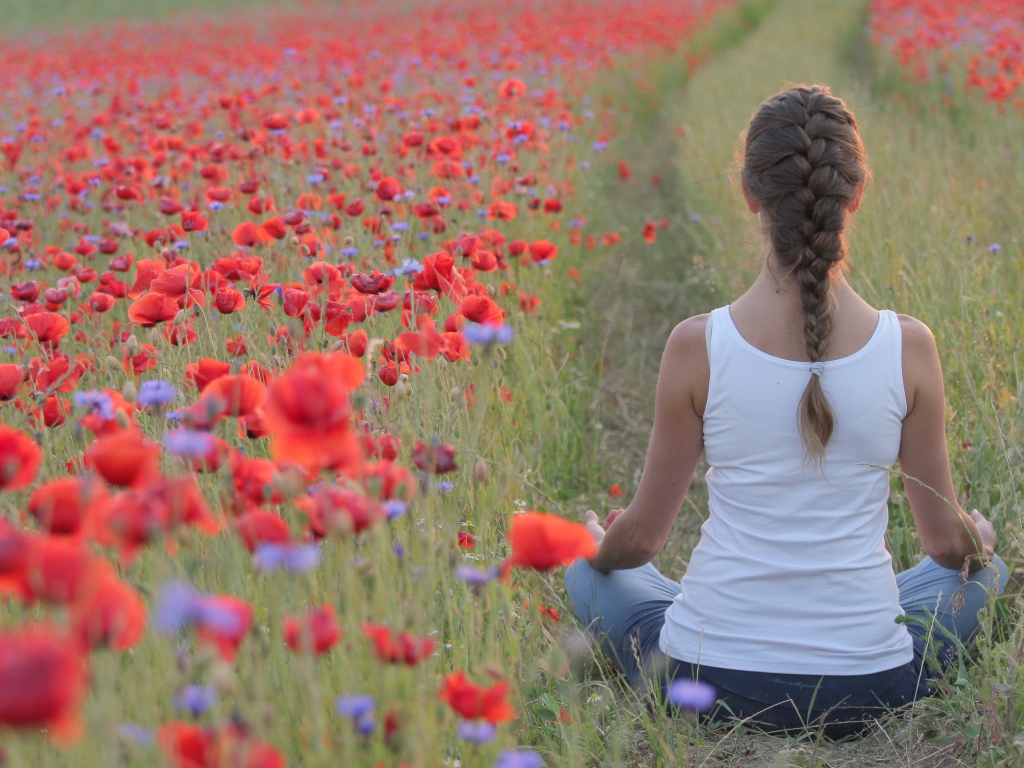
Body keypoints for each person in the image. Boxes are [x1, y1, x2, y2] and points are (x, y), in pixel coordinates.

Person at [564, 84, 1007, 738]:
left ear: (749, 194)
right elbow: (945, 544)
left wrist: (600, 547)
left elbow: (643, 543)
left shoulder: (697, 346)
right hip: (869, 688)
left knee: (587, 565)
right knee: (984, 572)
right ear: (854, 195)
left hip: (704, 679)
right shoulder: (908, 347)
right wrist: (980, 541)